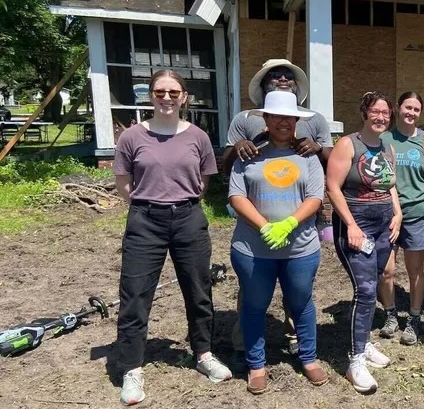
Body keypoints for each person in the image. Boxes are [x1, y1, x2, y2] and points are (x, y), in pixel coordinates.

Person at [113, 70, 231, 406]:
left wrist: (180, 201)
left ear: (185, 97)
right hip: (145, 220)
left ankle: (204, 354)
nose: (167, 98)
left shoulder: (198, 136)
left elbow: (203, 181)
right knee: (135, 295)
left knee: (198, 291)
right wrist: (147, 202)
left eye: (174, 92)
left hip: (188, 219)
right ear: (150, 95)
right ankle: (132, 368)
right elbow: (124, 182)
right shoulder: (132, 137)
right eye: (160, 92)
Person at [222, 59, 333, 364]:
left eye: (288, 76)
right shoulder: (244, 122)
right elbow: (230, 174)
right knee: (253, 299)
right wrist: (263, 226)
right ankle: (247, 349)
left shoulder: (313, 129)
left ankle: (298, 343)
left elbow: (325, 169)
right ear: (265, 118)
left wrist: (317, 148)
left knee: (299, 298)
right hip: (254, 241)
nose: (283, 79)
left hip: (299, 238)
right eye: (275, 76)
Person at [327, 91, 402, 393]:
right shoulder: (348, 144)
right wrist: (351, 226)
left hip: (385, 224)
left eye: (386, 113)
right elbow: (332, 187)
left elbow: (391, 186)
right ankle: (355, 360)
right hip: (357, 224)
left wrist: (397, 214)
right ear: (365, 112)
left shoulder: (388, 147)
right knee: (366, 289)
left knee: (379, 279)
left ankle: (366, 342)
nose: (382, 117)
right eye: (376, 111)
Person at [378, 92, 424, 345]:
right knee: (386, 271)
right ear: (398, 108)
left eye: (416, 109)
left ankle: (414, 318)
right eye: (408, 107)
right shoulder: (384, 139)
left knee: (415, 271)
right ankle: (391, 314)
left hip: (416, 215)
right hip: (387, 215)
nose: (411, 113)